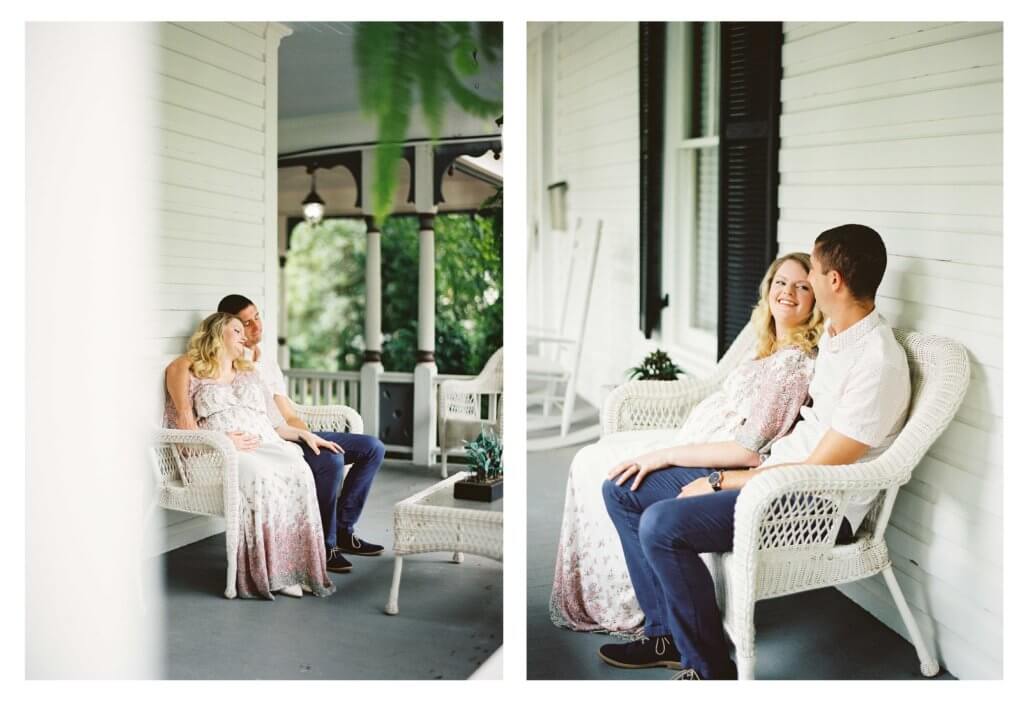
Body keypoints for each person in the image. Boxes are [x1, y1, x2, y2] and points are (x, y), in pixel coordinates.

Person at [598, 224, 910, 680]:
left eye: (814, 275)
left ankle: (708, 671)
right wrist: (684, 457)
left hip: (818, 504)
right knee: (623, 487)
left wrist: (720, 479)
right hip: (777, 475)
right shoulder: (839, 339)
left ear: (834, 282)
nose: (808, 284)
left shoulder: (876, 364)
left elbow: (816, 471)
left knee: (663, 525)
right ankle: (666, 635)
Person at [550, 253, 823, 637]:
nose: (788, 292)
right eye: (781, 282)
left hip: (728, 465)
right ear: (768, 287)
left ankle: (670, 630)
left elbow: (749, 451)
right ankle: (662, 629)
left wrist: (665, 455)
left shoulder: (792, 363)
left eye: (802, 287)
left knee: (624, 485)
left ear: (816, 301)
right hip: (700, 442)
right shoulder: (767, 346)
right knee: (616, 480)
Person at [166, 295, 386, 575]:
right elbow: (188, 378)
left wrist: (304, 434)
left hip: (286, 431)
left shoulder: (261, 364)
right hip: (265, 439)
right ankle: (324, 545)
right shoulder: (220, 363)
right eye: (245, 324)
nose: (256, 327)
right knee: (329, 461)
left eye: (257, 317)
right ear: (225, 330)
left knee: (371, 448)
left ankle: (343, 530)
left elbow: (284, 410)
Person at [165, 312, 337, 599]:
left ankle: (295, 567)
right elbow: (184, 426)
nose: (245, 335)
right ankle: (270, 573)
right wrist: (220, 441)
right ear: (217, 334)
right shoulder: (186, 368)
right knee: (257, 473)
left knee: (298, 467)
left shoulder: (250, 373)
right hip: (213, 454)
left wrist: (304, 434)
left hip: (262, 444)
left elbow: (272, 423)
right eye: (237, 330)